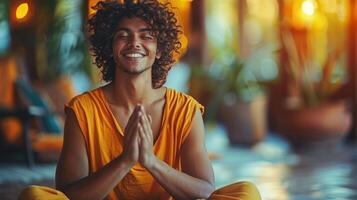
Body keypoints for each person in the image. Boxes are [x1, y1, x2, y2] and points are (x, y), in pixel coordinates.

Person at [19, 0, 261, 199]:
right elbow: (68, 194)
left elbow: (205, 190)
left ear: (159, 50)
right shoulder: (83, 110)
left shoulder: (185, 109)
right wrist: (125, 161)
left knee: (247, 193)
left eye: (146, 36)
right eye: (123, 35)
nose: (135, 42)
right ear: (111, 48)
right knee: (34, 196)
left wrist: (151, 162)